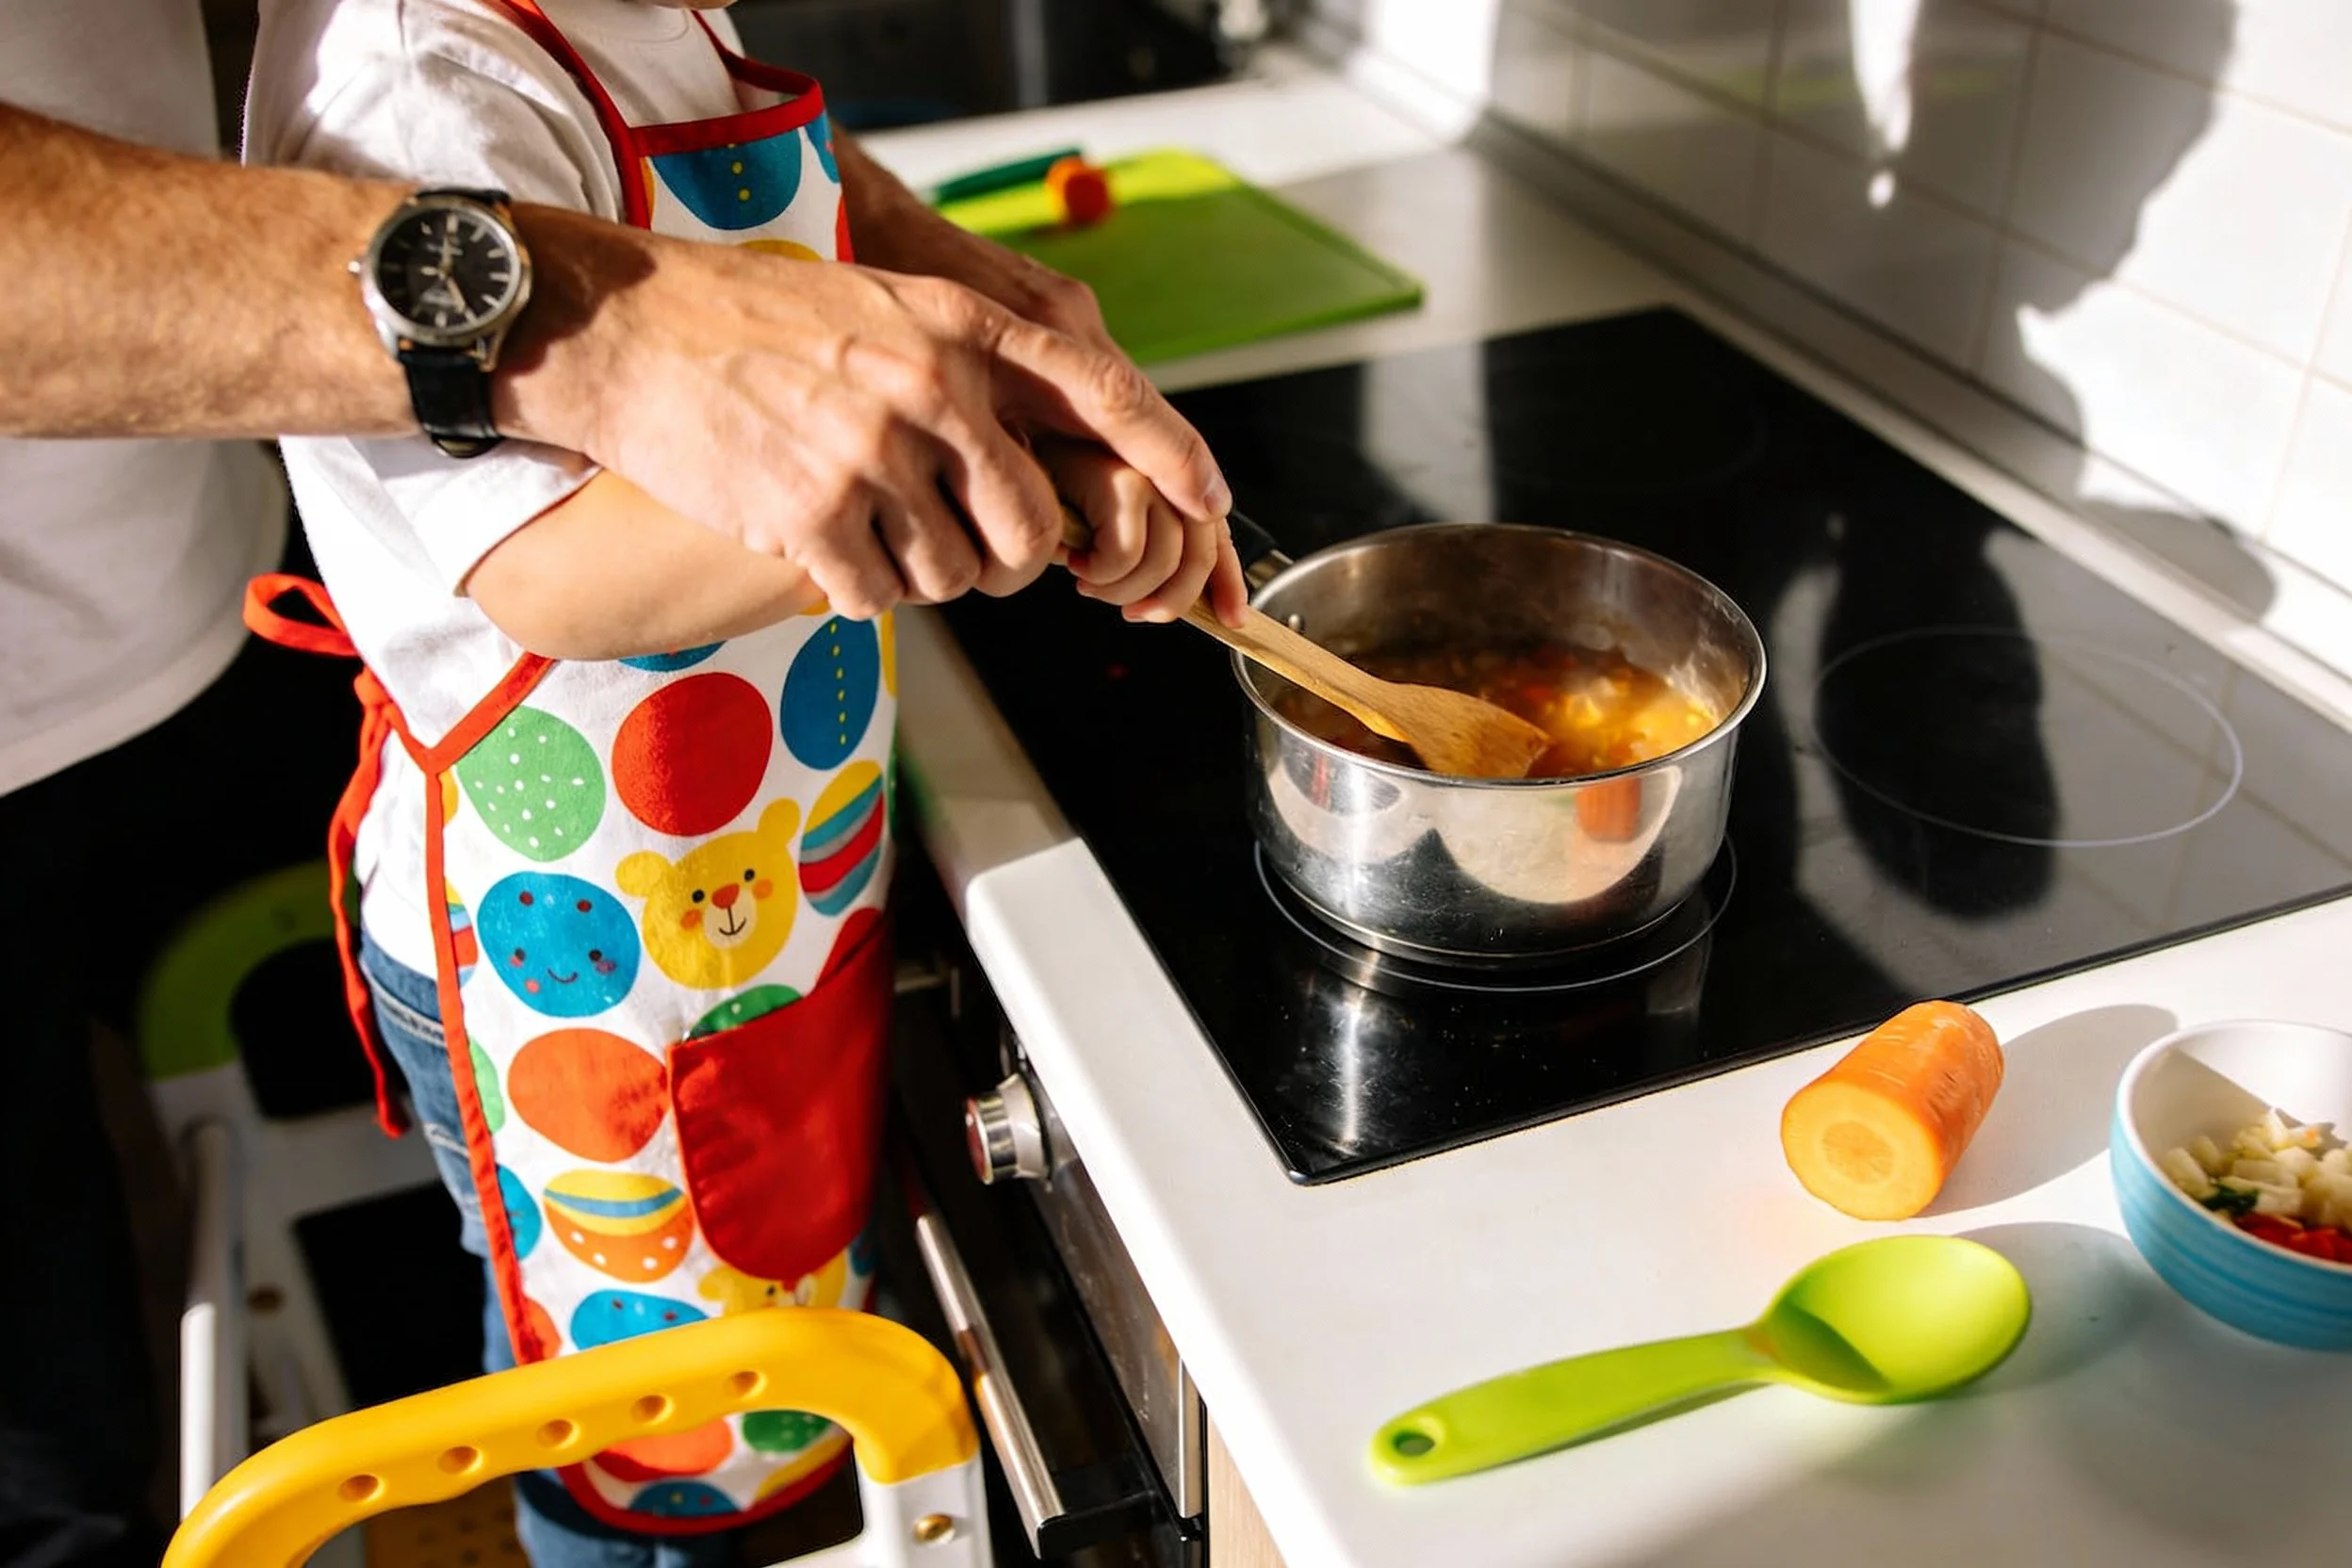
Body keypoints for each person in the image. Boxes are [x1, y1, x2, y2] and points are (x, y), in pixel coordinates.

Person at [1, 2, 1240, 1563]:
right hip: (573, 963)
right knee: (650, 1441)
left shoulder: (653, 21)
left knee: (778, 1345)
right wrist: (980, 487)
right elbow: (547, 572)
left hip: (756, 890)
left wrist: (937, 319)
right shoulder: (423, 82)